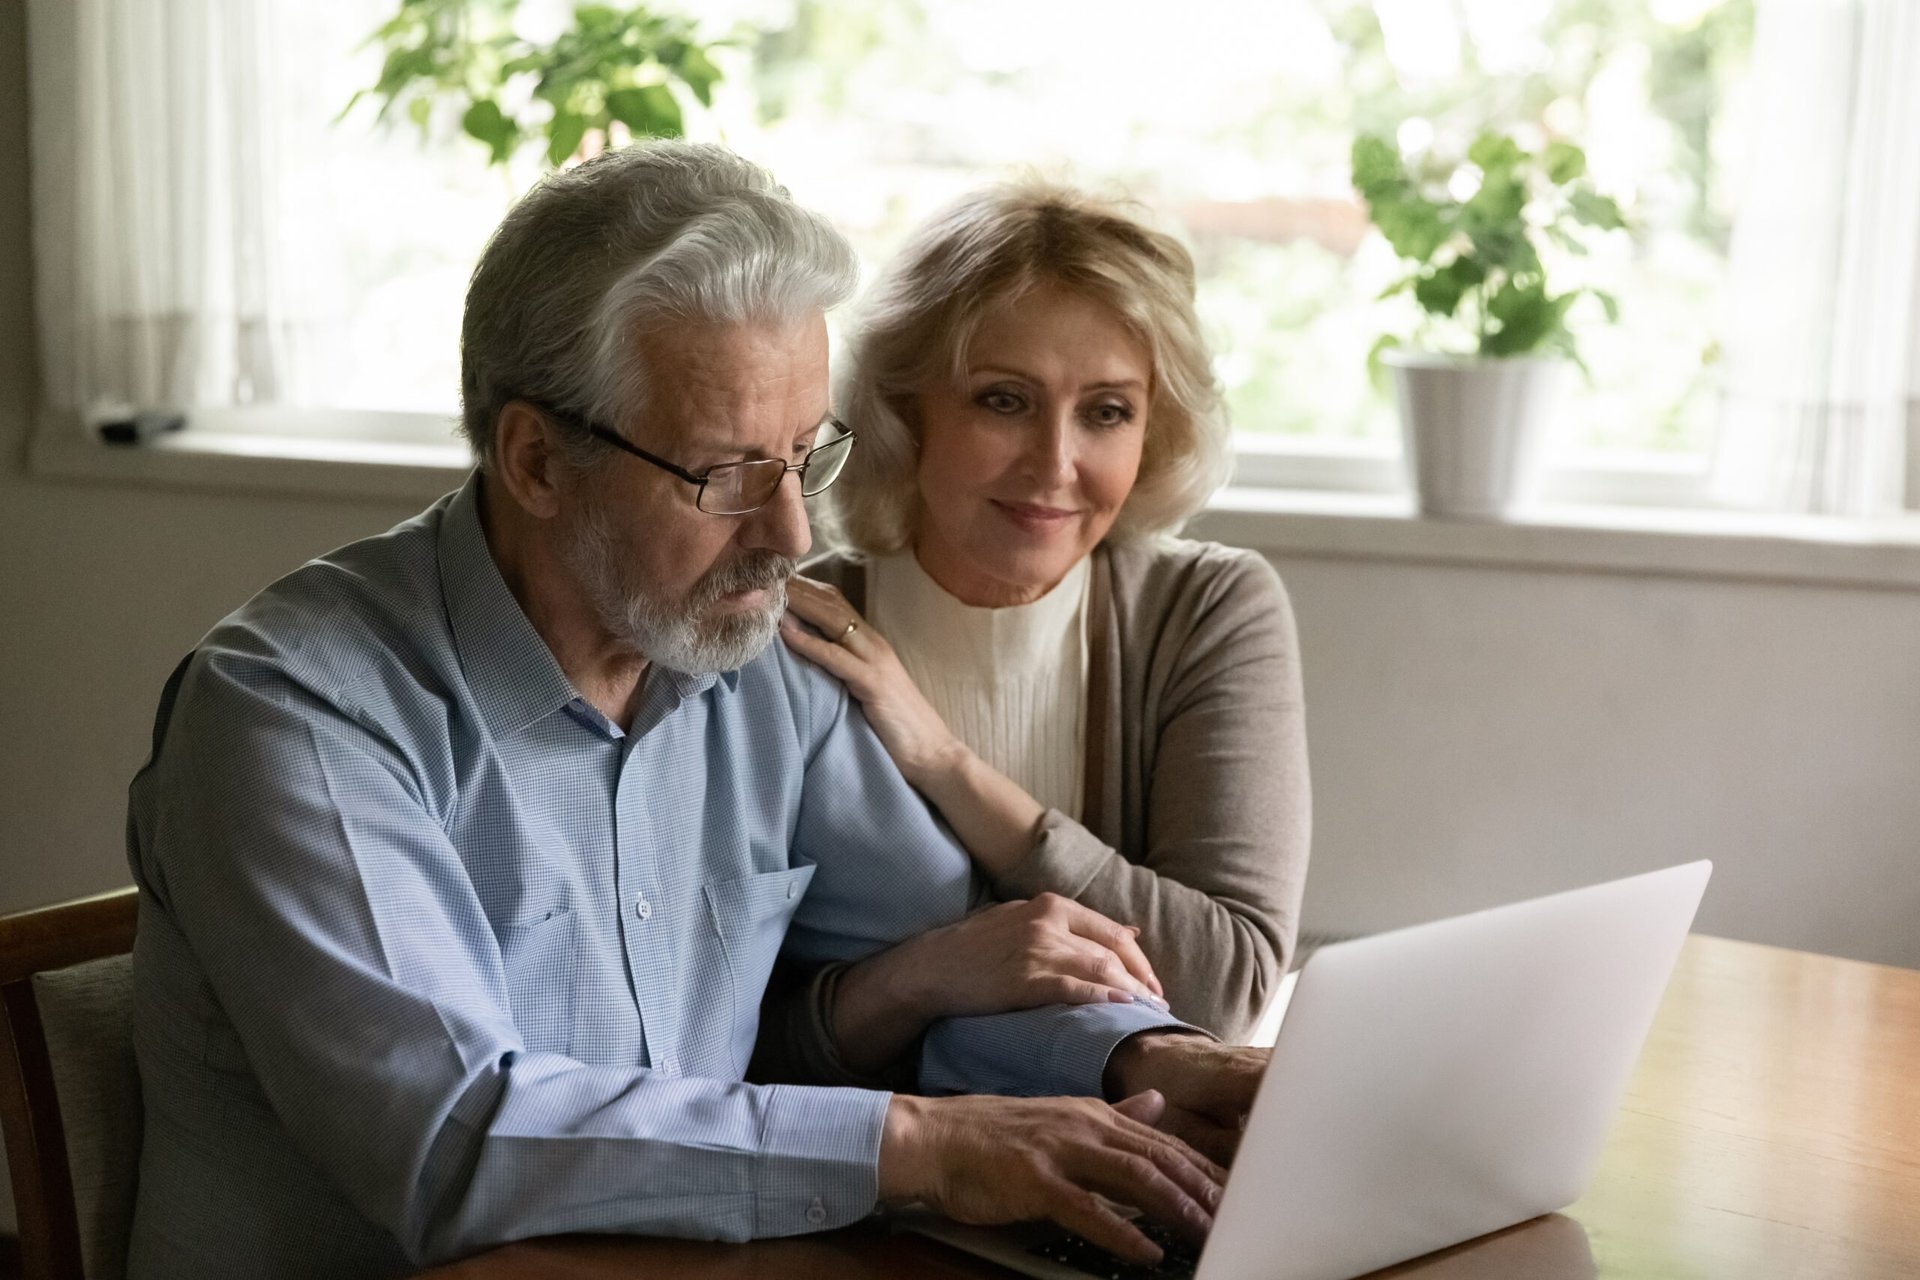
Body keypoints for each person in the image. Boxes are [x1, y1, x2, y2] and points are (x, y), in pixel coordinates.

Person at [123, 143, 1266, 1280]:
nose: (793, 536)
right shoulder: (294, 712)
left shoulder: (762, 656)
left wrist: (1141, 1064)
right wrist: (919, 1145)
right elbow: (454, 1139)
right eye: (726, 476)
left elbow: (943, 969)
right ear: (536, 459)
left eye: (806, 458)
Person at [777, 182, 1311, 1053]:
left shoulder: (1207, 610)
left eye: (1106, 412)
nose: (1056, 464)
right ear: (908, 413)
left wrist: (947, 764)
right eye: (1004, 400)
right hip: (875, 1169)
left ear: (1154, 430)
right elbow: (749, 1034)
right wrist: (942, 970)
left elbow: (1227, 989)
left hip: (1142, 1163)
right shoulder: (798, 630)